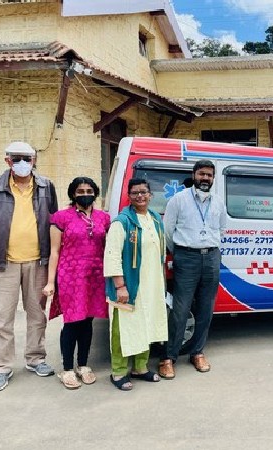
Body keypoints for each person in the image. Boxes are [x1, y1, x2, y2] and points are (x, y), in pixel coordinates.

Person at [0, 141, 58, 392]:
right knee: (3, 317)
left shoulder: (46, 186)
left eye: (27, 158)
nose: (23, 163)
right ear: (7, 161)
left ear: (34, 161)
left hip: (38, 261)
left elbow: (53, 220)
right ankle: (1, 366)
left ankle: (35, 358)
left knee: (37, 314)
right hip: (4, 262)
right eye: (17, 158)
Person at [160, 159, 227, 379]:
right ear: (194, 175)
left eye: (209, 175)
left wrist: (210, 247)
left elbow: (222, 229)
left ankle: (197, 352)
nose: (205, 178)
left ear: (213, 178)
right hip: (186, 257)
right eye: (201, 174)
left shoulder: (218, 202)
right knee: (180, 309)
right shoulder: (178, 200)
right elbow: (168, 231)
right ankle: (169, 357)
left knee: (206, 309)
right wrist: (181, 252)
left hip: (211, 258)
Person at [42, 177, 110, 389]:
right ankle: (67, 369)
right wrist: (50, 282)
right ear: (73, 194)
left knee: (88, 322)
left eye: (89, 190)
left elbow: (108, 247)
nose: (84, 194)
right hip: (70, 276)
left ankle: (83, 365)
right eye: (80, 191)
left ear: (95, 193)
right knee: (72, 322)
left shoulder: (104, 218)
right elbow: (54, 252)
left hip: (96, 276)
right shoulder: (61, 218)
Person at [103, 178, 167, 390]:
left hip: (151, 284)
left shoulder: (155, 218)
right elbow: (112, 255)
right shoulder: (122, 222)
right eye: (135, 193)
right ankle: (118, 372)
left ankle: (140, 367)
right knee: (123, 329)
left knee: (146, 325)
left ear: (150, 195)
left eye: (143, 192)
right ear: (129, 197)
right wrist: (120, 286)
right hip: (129, 286)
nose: (140, 196)